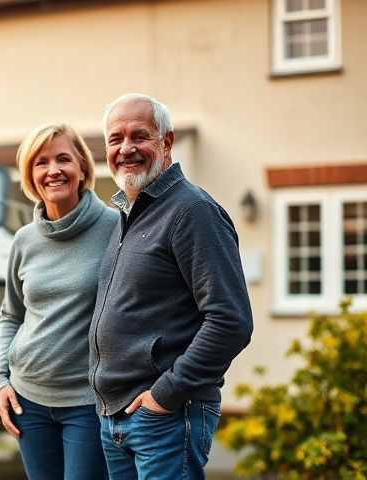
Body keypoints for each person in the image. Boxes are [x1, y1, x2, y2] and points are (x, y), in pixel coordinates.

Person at [88, 93, 253, 479]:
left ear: (166, 142)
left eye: (139, 136)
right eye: (115, 139)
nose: (126, 148)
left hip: (165, 416)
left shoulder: (191, 211)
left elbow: (231, 321)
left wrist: (165, 395)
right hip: (115, 417)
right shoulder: (127, 216)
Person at [0, 123, 117, 480]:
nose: (53, 170)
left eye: (63, 159)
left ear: (82, 169)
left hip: (88, 403)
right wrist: (0, 380)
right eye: (41, 162)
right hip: (27, 399)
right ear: (30, 175)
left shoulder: (114, 228)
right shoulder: (24, 240)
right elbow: (10, 314)